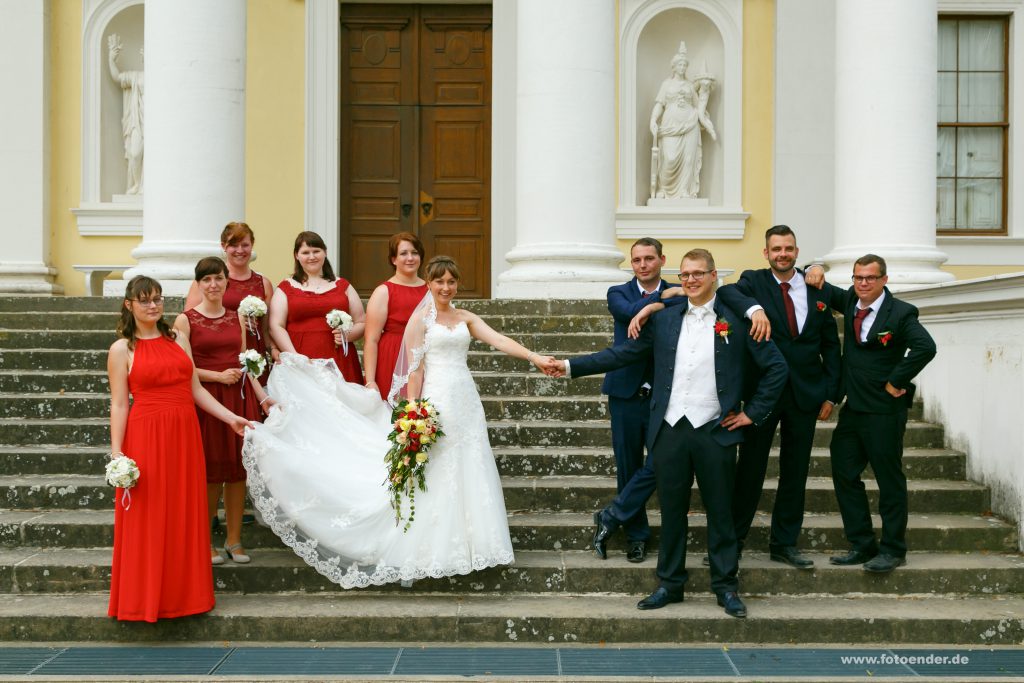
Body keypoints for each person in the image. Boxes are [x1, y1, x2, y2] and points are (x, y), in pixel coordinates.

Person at [242, 256, 557, 587]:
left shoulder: (466, 317)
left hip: (466, 399)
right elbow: (415, 371)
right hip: (437, 400)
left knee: (471, 461)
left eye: (451, 282)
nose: (446, 288)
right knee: (438, 468)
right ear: (431, 285)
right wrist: (413, 411)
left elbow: (499, 340)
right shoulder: (420, 321)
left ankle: (476, 542)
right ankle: (435, 545)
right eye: (439, 282)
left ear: (457, 285)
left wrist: (533, 357)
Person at [551, 249, 788, 618]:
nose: (691, 280)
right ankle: (669, 583)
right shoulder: (666, 319)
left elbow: (776, 368)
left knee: (721, 513)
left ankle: (726, 587)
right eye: (686, 274)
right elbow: (622, 354)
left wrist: (752, 415)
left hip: (716, 430)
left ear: (713, 276)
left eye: (698, 274)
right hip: (670, 430)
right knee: (672, 512)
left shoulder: (737, 320)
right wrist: (569, 366)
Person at [106, 276, 253, 622]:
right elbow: (118, 404)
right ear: (129, 305)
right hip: (145, 436)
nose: (153, 306)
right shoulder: (121, 349)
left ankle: (185, 597)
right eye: (144, 300)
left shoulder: (179, 339)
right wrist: (117, 452)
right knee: (149, 515)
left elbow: (196, 390)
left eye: (157, 299)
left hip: (184, 435)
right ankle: (145, 598)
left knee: (184, 513)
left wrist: (229, 417)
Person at [805, 255, 937, 574]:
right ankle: (862, 543)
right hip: (853, 410)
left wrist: (896, 380)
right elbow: (819, 281)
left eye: (870, 278)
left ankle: (893, 549)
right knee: (844, 471)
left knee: (888, 479)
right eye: (858, 277)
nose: (863, 283)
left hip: (885, 412)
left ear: (884, 280)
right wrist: (814, 268)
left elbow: (926, 347)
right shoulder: (851, 299)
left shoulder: (902, 312)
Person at [725, 225, 842, 569]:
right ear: (766, 253)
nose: (782, 254)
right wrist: (754, 311)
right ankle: (733, 541)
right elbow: (728, 293)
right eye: (776, 249)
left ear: (797, 251)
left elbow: (830, 347)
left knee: (795, 473)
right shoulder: (754, 281)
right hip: (764, 394)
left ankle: (784, 544)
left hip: (806, 395)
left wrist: (832, 394)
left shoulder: (815, 288)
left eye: (788, 249)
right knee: (750, 470)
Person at [174, 257, 274, 566]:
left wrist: (262, 397)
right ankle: (204, 541)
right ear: (199, 284)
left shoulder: (237, 319)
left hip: (237, 398)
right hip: (206, 399)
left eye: (218, 279)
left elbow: (246, 363)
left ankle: (234, 539)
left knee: (236, 469)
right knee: (210, 472)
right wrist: (217, 376)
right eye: (206, 280)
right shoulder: (185, 320)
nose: (213, 285)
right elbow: (183, 368)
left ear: (225, 282)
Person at [185, 222, 276, 385]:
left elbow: (267, 329)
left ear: (252, 245)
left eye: (245, 245)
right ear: (223, 247)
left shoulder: (264, 283)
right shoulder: (209, 283)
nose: (240, 250)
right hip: (219, 357)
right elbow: (191, 323)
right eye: (233, 245)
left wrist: (274, 353)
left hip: (255, 355)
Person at [268, 231, 365, 384]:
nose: (312, 256)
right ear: (296, 255)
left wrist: (348, 335)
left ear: (325, 252)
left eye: (316, 251)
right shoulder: (285, 288)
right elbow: (275, 326)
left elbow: (361, 322)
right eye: (305, 252)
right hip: (299, 358)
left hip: (339, 358)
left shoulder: (343, 286)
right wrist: (295, 357)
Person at [363, 233, 428, 400]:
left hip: (424, 356)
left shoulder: (430, 290)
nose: (410, 258)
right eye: (404, 253)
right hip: (392, 356)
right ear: (393, 259)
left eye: (414, 253)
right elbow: (371, 340)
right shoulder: (384, 292)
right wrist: (370, 381)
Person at [650, 41, 716, 199]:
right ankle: (663, 189)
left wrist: (705, 91)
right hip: (670, 124)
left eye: (685, 65)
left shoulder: (690, 86)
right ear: (674, 67)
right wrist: (653, 119)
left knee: (688, 159)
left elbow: (698, 104)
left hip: (690, 122)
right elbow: (659, 104)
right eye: (680, 64)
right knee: (669, 158)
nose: (683, 67)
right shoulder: (666, 85)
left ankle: (685, 190)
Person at [107, 34, 144, 195]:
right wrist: (111, 59)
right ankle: (137, 185)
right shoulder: (136, 76)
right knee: (135, 153)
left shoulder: (165, 78)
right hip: (138, 121)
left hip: (158, 124)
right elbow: (117, 77)